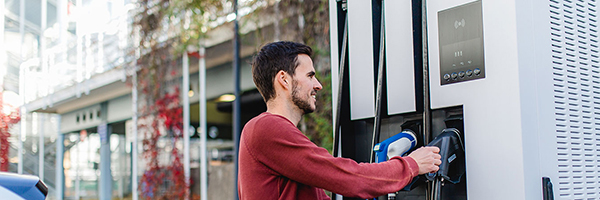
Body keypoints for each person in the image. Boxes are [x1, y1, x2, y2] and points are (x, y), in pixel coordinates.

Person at [238, 41, 441, 200]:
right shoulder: (266, 128)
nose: (318, 85)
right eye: (310, 76)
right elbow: (347, 177)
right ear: (284, 79)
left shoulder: (270, 132)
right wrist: (411, 165)